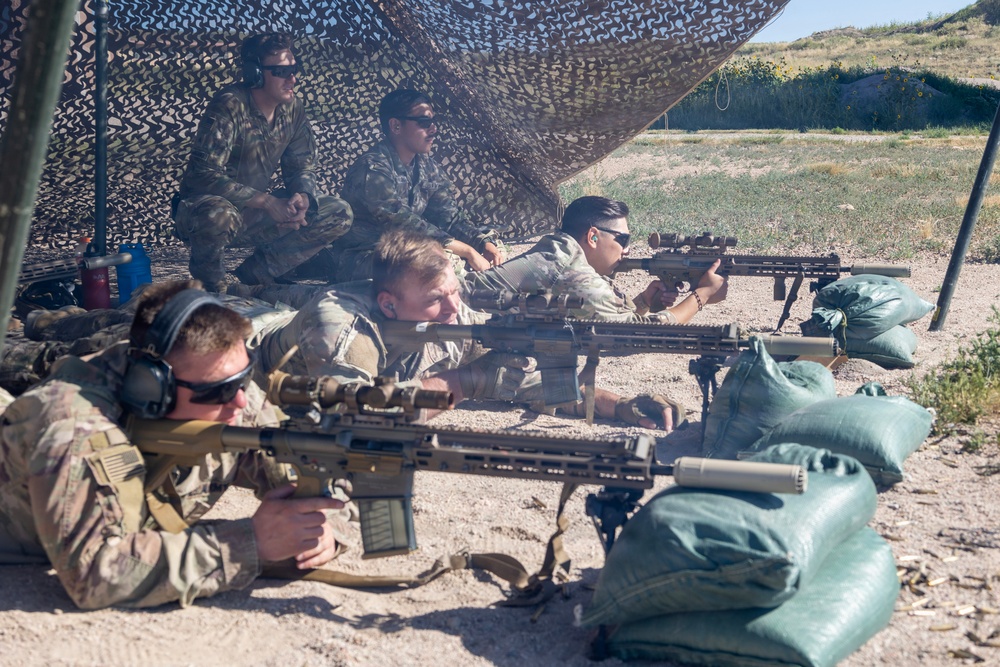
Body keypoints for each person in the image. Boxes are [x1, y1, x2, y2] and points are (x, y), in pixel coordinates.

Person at [0, 281, 348, 609]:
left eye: (243, 378)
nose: (241, 401)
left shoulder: (226, 392)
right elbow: (95, 573)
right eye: (220, 390)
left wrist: (318, 525)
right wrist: (248, 543)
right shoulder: (72, 428)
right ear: (151, 389)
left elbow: (298, 474)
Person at [254, 230, 682, 431]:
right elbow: (356, 420)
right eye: (435, 299)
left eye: (454, 292)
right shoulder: (342, 330)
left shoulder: (447, 314)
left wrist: (618, 405)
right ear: (388, 304)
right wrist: (462, 383)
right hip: (251, 341)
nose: (453, 309)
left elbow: (520, 381)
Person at [171, 32, 353, 292]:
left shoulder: (293, 109)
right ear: (254, 73)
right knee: (218, 215)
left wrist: (302, 197)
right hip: (203, 213)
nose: (293, 78)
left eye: (295, 69)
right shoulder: (230, 105)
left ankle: (255, 274)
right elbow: (204, 175)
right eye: (282, 71)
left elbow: (301, 166)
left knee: (337, 211)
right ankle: (212, 288)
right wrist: (267, 202)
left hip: (253, 214)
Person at [308, 89, 504, 282]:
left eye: (434, 121)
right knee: (434, 265)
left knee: (479, 253)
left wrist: (481, 243)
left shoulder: (426, 166)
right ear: (395, 126)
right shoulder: (373, 168)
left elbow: (449, 217)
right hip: (362, 257)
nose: (433, 129)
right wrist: (465, 250)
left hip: (405, 250)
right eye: (424, 122)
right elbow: (400, 223)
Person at [466, 195, 728, 323]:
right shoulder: (572, 273)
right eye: (622, 240)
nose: (626, 250)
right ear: (592, 236)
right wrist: (702, 295)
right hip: (455, 322)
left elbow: (594, 312)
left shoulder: (559, 250)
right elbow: (642, 332)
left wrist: (644, 301)